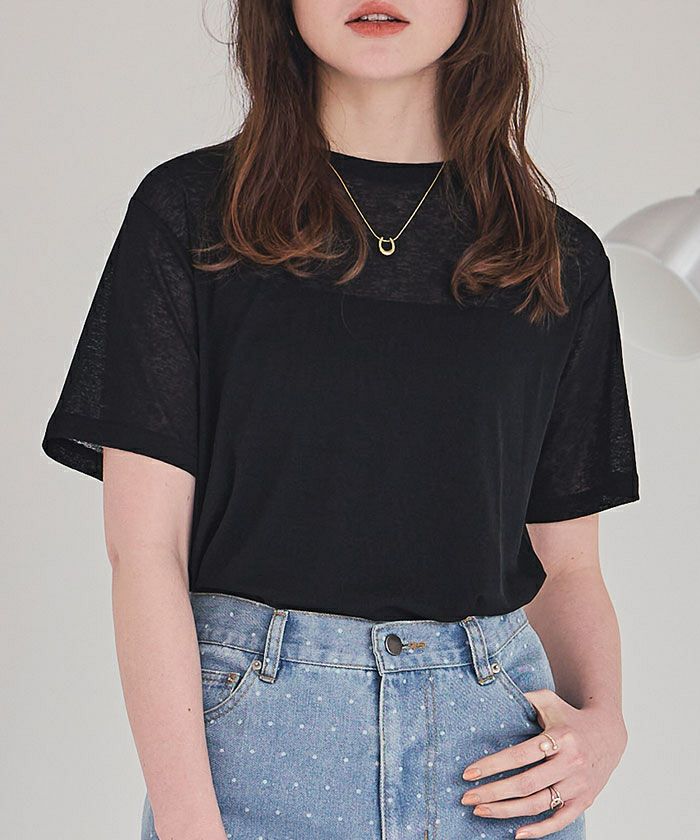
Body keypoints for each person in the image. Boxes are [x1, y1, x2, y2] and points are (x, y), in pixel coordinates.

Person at [41, 2, 641, 839]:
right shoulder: (191, 215)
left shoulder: (555, 258)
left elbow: (568, 565)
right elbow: (144, 552)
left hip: (498, 759)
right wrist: (187, 820)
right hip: (254, 755)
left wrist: (605, 723)